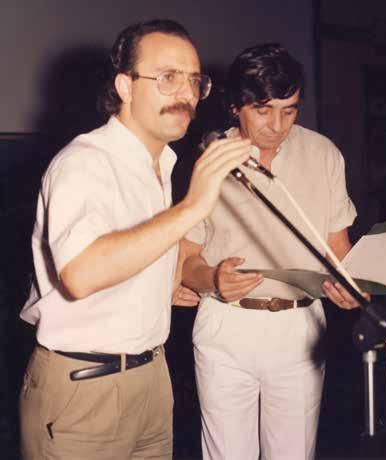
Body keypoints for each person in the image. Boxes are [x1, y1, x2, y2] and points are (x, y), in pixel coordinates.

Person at [19, 19, 252, 460]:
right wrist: (191, 207)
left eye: (194, 81)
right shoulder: (83, 163)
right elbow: (81, 275)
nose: (185, 93)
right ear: (125, 86)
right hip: (85, 386)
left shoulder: (162, 162)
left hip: (151, 378)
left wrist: (159, 286)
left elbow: (128, 250)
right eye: (167, 78)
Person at [182, 43, 362, 459]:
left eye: (290, 110)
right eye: (263, 110)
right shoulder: (210, 159)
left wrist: (354, 286)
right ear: (235, 106)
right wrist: (213, 279)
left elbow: (339, 250)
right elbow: (185, 261)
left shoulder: (323, 154)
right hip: (226, 325)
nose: (277, 125)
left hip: (300, 327)